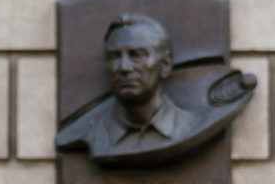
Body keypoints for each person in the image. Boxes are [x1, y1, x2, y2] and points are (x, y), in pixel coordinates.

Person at [54, 12, 253, 168]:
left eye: (137, 55)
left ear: (165, 65)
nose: (123, 67)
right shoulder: (89, 133)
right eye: (114, 56)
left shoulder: (189, 125)